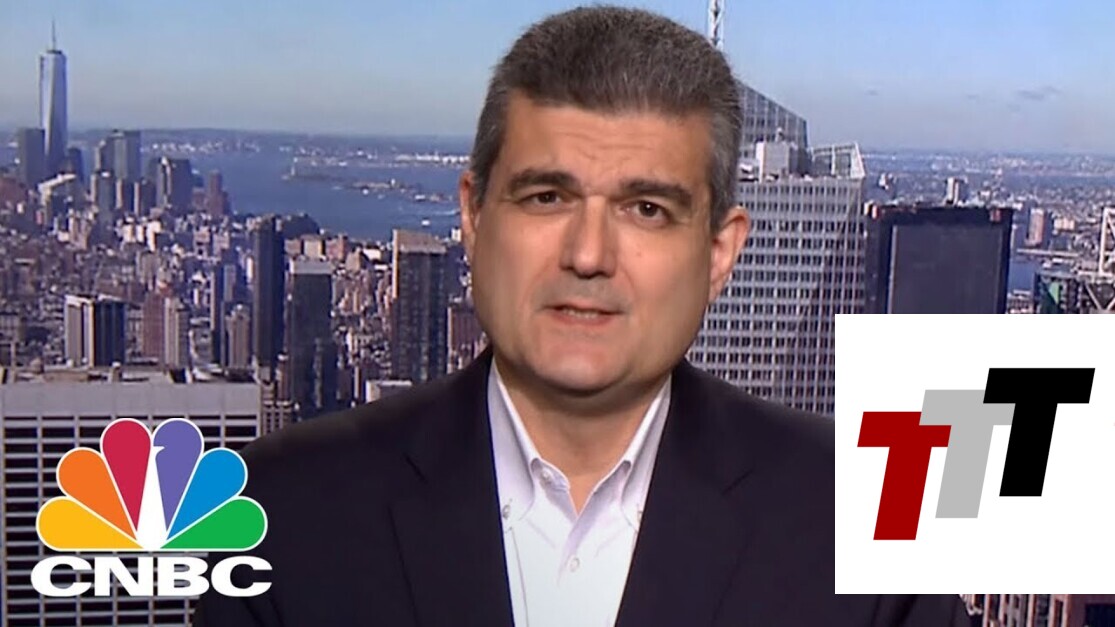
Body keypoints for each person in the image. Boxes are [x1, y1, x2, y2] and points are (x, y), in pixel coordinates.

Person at [193, 6, 969, 626]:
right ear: (473, 216)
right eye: (546, 196)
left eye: (646, 208)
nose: (588, 254)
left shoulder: (870, 522)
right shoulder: (281, 513)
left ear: (719, 251)